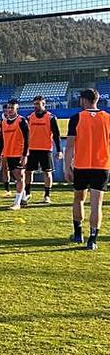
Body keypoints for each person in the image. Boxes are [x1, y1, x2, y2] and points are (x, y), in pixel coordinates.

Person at [63, 88, 110, 251]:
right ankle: (92, 239)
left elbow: (69, 146)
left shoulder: (76, 118)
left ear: (84, 100)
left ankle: (78, 233)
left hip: (82, 165)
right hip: (102, 166)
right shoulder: (107, 118)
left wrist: (67, 167)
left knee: (79, 199)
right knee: (96, 204)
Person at [25, 96, 63, 204]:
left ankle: (47, 195)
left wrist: (59, 150)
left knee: (47, 173)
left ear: (44, 104)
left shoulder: (51, 118)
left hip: (46, 149)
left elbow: (56, 135)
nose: (36, 106)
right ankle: (27, 193)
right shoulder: (29, 117)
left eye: (39, 104)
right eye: (35, 104)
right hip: (32, 149)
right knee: (28, 172)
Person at [0, 99, 29, 210]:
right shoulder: (2, 123)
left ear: (16, 109)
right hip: (8, 153)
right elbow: (2, 141)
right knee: (16, 177)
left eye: (12, 108)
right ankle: (23, 198)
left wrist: (25, 155)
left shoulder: (21, 121)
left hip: (18, 153)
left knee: (20, 177)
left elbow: (27, 139)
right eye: (8, 108)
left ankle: (17, 203)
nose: (9, 110)